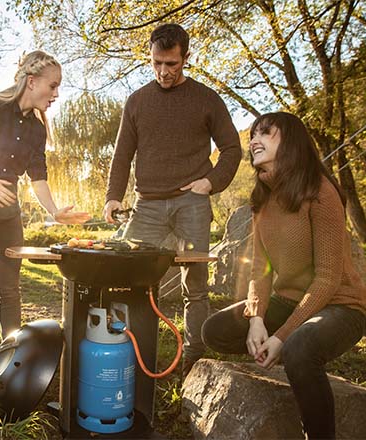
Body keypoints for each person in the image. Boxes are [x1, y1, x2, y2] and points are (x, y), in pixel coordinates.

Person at [201, 112, 366, 439]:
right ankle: (297, 365)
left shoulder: (321, 192)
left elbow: (327, 280)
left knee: (297, 348)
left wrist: (281, 336)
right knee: (216, 330)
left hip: (341, 306)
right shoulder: (263, 199)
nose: (254, 141)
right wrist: (256, 319)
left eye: (266, 134)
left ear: (291, 141)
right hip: (289, 301)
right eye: (253, 135)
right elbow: (259, 269)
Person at [0, 50, 90, 407]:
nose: (56, 93)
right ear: (32, 81)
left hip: (8, 215)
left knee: (11, 293)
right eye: (53, 85)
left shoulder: (37, 127)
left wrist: (55, 211)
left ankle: (12, 369)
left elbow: (37, 176)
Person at [103, 23, 242, 377]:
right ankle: (128, 350)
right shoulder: (137, 101)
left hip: (191, 204)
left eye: (172, 64)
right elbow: (122, 156)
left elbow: (231, 148)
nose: (163, 72)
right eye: (156, 64)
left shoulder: (207, 99)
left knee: (195, 285)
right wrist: (112, 198)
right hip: (146, 204)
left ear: (186, 58)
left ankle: (195, 357)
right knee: (131, 278)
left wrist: (211, 183)